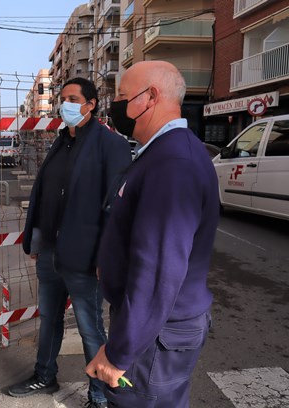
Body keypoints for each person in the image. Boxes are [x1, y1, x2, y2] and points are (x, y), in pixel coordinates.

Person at [85, 61, 220, 408]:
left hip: (155, 335)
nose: (115, 105)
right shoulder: (162, 153)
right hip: (156, 329)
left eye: (122, 96)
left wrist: (118, 354)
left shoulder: (173, 163)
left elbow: (158, 270)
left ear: (151, 97)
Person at [8, 77, 131, 408]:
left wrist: (105, 256)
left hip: (85, 258)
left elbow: (118, 210)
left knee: (90, 329)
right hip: (49, 253)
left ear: (90, 104)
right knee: (49, 320)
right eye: (62, 99)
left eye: (73, 98)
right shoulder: (60, 142)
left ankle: (100, 397)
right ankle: (44, 375)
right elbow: (45, 194)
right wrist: (36, 238)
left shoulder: (111, 145)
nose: (65, 105)